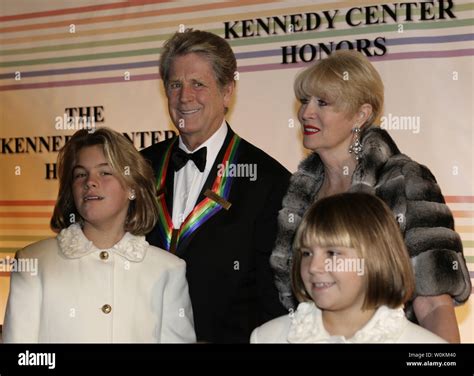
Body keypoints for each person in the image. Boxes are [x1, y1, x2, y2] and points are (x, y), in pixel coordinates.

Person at [270, 50, 471, 343]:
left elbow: (434, 303)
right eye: (304, 101)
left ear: (361, 114)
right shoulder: (298, 193)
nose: (305, 113)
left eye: (322, 103)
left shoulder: (404, 180)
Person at [141, 29, 291, 343]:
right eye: (176, 84)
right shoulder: (138, 169)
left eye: (198, 84)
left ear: (227, 92)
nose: (185, 97)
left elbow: (274, 304)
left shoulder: (270, 182)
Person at [3, 127, 196, 343]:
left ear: (132, 188)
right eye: (80, 174)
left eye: (105, 172)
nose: (90, 182)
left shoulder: (168, 270)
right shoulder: (34, 262)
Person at [252, 193, 446, 343]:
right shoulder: (268, 338)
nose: (314, 267)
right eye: (306, 253)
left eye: (332, 253)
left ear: (375, 258)